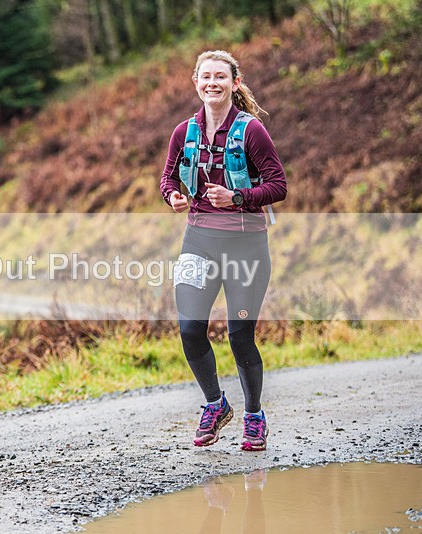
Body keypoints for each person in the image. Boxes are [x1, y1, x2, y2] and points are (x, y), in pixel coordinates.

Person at [160, 50, 287, 451]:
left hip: (246, 245)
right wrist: (173, 197)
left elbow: (278, 186)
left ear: (234, 83)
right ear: (195, 82)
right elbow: (167, 178)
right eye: (205, 77)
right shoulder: (183, 132)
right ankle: (216, 404)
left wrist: (236, 197)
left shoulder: (252, 131)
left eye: (220, 76)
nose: (212, 83)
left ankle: (253, 415)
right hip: (197, 242)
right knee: (189, 329)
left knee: (239, 335)